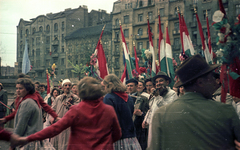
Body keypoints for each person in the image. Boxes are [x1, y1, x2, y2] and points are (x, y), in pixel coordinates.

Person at [148, 54, 240, 149]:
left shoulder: (161, 114)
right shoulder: (226, 111)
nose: (214, 82)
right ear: (200, 82)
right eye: (211, 77)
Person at [10, 76, 122, 150]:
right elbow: (117, 134)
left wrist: (29, 138)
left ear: (81, 92)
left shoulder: (76, 110)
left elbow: (54, 129)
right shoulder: (109, 110)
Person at [102, 74, 141, 150]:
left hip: (117, 137)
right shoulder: (128, 97)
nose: (104, 88)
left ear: (109, 85)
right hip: (131, 137)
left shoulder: (108, 97)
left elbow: (108, 119)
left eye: (105, 86)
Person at [12, 78, 53, 149]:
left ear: (28, 89)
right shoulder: (33, 100)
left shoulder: (27, 102)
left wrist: (13, 143)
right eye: (17, 88)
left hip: (27, 141)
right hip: (34, 139)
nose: (18, 91)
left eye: (20, 88)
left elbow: (21, 125)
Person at [143, 71, 178, 146]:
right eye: (156, 82)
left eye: (161, 81)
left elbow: (166, 108)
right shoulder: (157, 93)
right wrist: (146, 119)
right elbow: (151, 108)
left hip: (165, 127)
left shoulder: (172, 93)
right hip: (153, 126)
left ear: (167, 82)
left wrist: (158, 96)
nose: (158, 83)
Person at [50, 79, 80, 150]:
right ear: (62, 87)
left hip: (69, 125)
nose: (67, 87)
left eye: (69, 85)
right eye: (65, 85)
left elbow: (78, 110)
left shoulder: (75, 98)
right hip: (59, 123)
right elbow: (52, 110)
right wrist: (53, 117)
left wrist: (71, 106)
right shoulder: (58, 98)